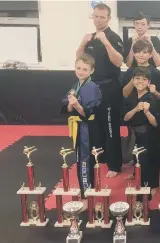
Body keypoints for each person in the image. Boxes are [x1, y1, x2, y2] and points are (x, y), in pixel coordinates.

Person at [76, 3, 124, 178]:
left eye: (102, 17)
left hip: (110, 87)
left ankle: (115, 164)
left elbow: (119, 62)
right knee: (95, 125)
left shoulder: (113, 37)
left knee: (111, 126)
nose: (98, 20)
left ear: (108, 18)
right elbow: (79, 59)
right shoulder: (90, 38)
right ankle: (100, 157)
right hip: (92, 86)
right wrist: (83, 42)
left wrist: (106, 42)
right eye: (95, 16)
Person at [61, 54, 102, 209]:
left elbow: (86, 113)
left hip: (86, 128)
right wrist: (72, 104)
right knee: (82, 160)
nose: (81, 71)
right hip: (80, 127)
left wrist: (76, 105)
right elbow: (67, 107)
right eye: (78, 68)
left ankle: (87, 196)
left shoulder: (91, 87)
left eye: (85, 69)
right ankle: (87, 191)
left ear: (91, 71)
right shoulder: (76, 84)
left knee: (84, 161)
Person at [122, 40, 160, 185]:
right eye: (138, 51)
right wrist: (133, 82)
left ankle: (152, 182)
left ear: (150, 54)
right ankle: (136, 172)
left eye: (144, 51)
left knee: (150, 151)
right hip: (134, 115)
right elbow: (125, 93)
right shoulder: (130, 71)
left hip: (149, 118)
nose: (141, 54)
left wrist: (154, 92)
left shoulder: (154, 72)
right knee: (137, 149)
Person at [123, 67, 160, 197]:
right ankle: (139, 179)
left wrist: (147, 112)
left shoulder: (151, 98)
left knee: (151, 160)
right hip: (135, 133)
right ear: (132, 80)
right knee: (138, 159)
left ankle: (153, 185)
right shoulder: (131, 97)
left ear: (149, 82)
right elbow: (125, 117)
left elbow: (155, 123)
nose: (140, 81)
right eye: (137, 78)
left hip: (149, 133)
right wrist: (135, 109)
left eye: (144, 79)